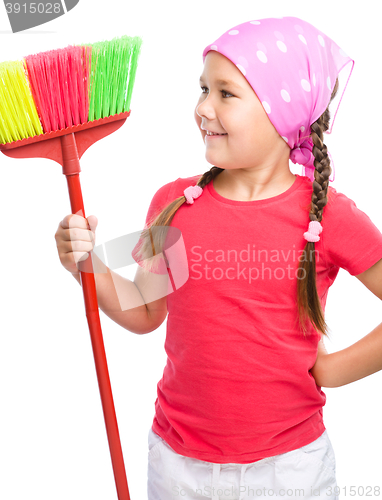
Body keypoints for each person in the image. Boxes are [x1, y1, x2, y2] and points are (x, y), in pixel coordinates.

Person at [54, 16, 382, 500]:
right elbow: (146, 309)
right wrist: (90, 267)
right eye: (202, 88)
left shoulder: (329, 214)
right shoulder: (174, 203)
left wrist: (334, 371)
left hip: (289, 469)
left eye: (226, 93)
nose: (202, 108)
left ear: (283, 110)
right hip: (178, 463)